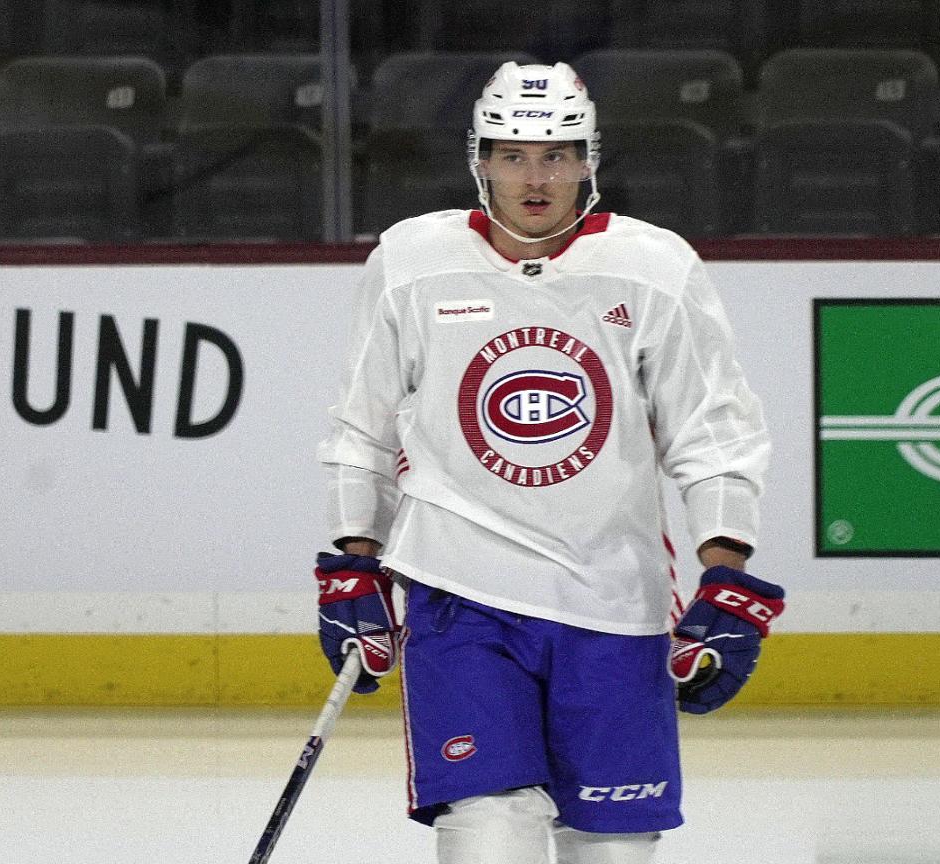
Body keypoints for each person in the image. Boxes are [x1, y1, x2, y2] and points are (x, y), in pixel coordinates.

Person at [314, 61, 780, 864]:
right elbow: (364, 427)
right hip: (460, 599)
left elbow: (714, 433)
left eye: (557, 155)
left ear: (587, 160)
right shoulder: (413, 262)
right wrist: (355, 562)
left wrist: (726, 574)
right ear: (480, 160)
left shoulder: (654, 267)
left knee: (613, 850)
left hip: (614, 601)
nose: (536, 178)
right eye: (514, 155)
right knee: (488, 834)